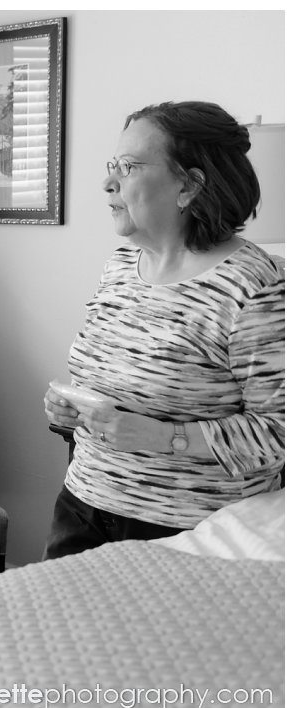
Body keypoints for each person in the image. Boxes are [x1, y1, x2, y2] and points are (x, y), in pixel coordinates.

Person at [42, 101, 285, 560]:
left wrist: (163, 437)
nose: (108, 183)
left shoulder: (255, 288)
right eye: (112, 165)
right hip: (83, 504)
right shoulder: (119, 267)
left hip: (188, 534)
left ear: (189, 185)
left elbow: (279, 431)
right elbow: (109, 380)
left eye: (129, 167)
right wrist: (69, 406)